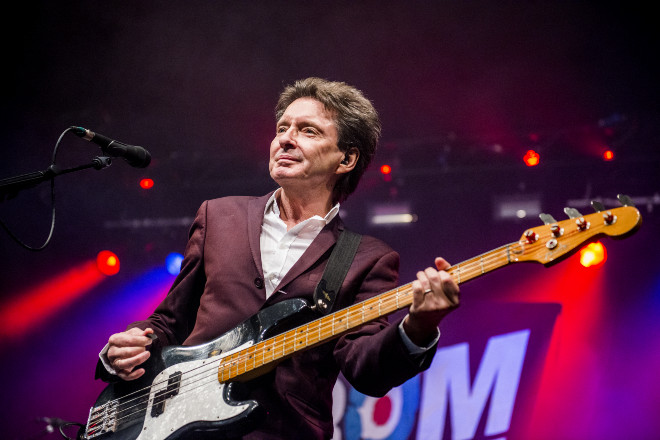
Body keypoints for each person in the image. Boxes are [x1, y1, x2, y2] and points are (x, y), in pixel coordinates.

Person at [97, 77, 460, 439]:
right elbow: (169, 321)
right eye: (282, 128)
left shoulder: (367, 258)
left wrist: (418, 327)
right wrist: (130, 344)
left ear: (346, 158)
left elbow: (367, 372)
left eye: (308, 131)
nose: (285, 139)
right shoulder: (218, 216)